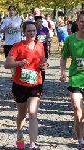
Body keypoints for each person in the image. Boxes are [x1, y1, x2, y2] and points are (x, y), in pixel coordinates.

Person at [4, 21, 47, 149]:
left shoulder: (40, 45)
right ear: (24, 32)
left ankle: (32, 144)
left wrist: (45, 65)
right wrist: (18, 63)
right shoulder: (18, 46)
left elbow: (43, 62)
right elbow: (7, 64)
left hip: (36, 83)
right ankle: (19, 132)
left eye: (34, 30)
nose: (32, 33)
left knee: (33, 113)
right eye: (29, 31)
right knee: (22, 114)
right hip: (19, 85)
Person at [60, 11, 84, 150]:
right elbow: (63, 57)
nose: (83, 25)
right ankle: (80, 140)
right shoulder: (71, 39)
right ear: (77, 22)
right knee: (78, 110)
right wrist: (63, 72)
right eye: (81, 21)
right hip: (75, 79)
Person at [0, 5, 22, 78]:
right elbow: (1, 31)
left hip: (17, 42)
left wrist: (18, 30)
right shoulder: (5, 20)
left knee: (17, 58)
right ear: (8, 11)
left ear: (15, 11)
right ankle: (13, 74)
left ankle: (16, 74)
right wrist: (7, 27)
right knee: (9, 59)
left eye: (13, 10)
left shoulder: (19, 19)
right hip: (8, 42)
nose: (11, 11)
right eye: (10, 10)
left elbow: (23, 29)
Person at [35, 16, 50, 85]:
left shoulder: (45, 29)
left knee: (43, 65)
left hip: (44, 49)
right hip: (36, 50)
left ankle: (42, 81)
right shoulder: (34, 30)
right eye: (37, 22)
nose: (39, 23)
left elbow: (48, 37)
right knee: (36, 64)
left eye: (40, 21)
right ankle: (36, 80)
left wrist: (47, 41)